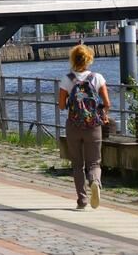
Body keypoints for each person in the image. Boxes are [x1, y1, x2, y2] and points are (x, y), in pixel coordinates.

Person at [57, 44, 110, 210]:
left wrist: (72, 104)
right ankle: (95, 182)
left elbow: (61, 105)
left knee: (77, 164)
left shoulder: (67, 79)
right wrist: (101, 112)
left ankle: (82, 200)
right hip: (93, 126)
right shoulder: (97, 78)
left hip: (73, 125)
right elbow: (107, 103)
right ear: (89, 59)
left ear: (72, 59)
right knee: (94, 163)